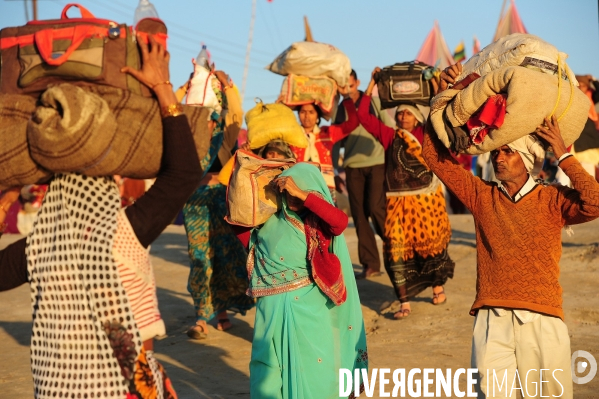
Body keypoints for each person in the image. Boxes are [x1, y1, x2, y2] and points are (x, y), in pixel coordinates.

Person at [0, 34, 202, 398]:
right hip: (125, 388)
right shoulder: (124, 231)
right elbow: (184, 174)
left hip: (58, 390)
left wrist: (6, 197)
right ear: (107, 183)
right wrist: (162, 89)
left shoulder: (39, 249)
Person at [422, 62, 599, 398]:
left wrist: (563, 155)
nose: (498, 158)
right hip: (492, 318)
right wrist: (440, 100)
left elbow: (594, 202)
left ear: (527, 158)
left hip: (543, 318)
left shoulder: (551, 199)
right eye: (496, 152)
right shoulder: (480, 195)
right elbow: (433, 156)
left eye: (506, 151)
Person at [232, 163, 367, 398]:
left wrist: (303, 196)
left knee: (314, 371)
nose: (290, 197)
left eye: (298, 191)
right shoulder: (268, 223)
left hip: (309, 310)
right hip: (269, 311)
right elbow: (238, 224)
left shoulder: (317, 223)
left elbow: (340, 222)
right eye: (287, 192)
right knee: (267, 373)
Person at [354, 67, 455, 319]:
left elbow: (437, 109)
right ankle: (404, 301)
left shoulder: (425, 133)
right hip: (397, 205)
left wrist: (434, 83)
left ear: (417, 117)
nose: (403, 117)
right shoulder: (390, 136)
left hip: (426, 203)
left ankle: (437, 287)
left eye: (408, 113)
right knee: (396, 249)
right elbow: (362, 117)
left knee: (430, 246)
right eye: (400, 114)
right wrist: (372, 84)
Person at [183, 70, 255, 340]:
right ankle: (201, 316)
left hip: (221, 200)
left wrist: (228, 86)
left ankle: (222, 311)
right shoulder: (188, 139)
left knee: (225, 257)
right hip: (195, 204)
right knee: (199, 258)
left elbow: (236, 114)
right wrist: (185, 86)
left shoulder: (224, 139)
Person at [334, 69, 396, 279]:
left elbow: (388, 128)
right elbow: (334, 140)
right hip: (352, 165)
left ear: (357, 82)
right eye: (344, 87)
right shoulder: (341, 108)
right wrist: (333, 168)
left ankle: (395, 251)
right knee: (359, 215)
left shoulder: (372, 102)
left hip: (377, 162)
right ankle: (371, 264)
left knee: (376, 208)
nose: (348, 90)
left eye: (351, 86)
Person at [289, 88, 359, 202]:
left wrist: (346, 98)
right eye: (303, 112)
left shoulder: (327, 133)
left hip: (325, 187)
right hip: (298, 187)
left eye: (311, 112)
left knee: (327, 218)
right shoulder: (291, 137)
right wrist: (280, 104)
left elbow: (353, 122)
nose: (307, 116)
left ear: (318, 116)